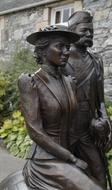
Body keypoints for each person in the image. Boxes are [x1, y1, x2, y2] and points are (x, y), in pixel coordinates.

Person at [18, 26, 103, 190]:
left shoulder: (69, 82)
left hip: (70, 150)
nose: (66, 52)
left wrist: (96, 123)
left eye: (68, 47)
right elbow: (35, 131)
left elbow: (76, 118)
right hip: (46, 160)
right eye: (60, 46)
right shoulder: (30, 82)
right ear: (43, 51)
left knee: (100, 177)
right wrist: (72, 158)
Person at [64, 11, 112, 189]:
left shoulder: (96, 60)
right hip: (64, 130)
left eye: (91, 31)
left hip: (88, 131)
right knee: (66, 176)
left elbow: (100, 99)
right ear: (72, 31)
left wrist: (106, 124)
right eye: (85, 30)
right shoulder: (62, 59)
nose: (89, 34)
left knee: (99, 172)